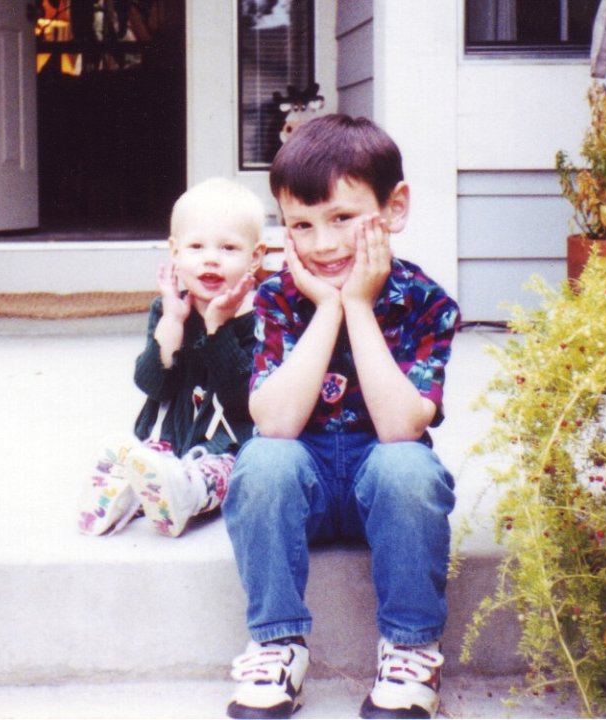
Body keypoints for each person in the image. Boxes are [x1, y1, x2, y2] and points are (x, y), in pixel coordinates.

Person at [222, 115, 460, 719]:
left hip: (380, 484)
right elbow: (273, 422)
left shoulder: (426, 304)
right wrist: (327, 308)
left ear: (394, 207)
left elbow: (400, 427)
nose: (322, 244)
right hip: (300, 482)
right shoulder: (276, 297)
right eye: (301, 225)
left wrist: (358, 303)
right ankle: (277, 645)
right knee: (262, 460)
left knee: (409, 468)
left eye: (343, 219)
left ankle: (410, 651)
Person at [78, 177, 266, 537]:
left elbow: (244, 402)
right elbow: (151, 383)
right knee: (142, 455)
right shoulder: (169, 310)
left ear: (255, 256)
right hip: (171, 439)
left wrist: (218, 330)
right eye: (196, 246)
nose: (211, 258)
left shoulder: (259, 319)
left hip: (227, 446)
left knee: (225, 472)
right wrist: (171, 328)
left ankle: (184, 495)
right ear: (175, 252)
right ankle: (127, 492)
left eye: (228, 248)